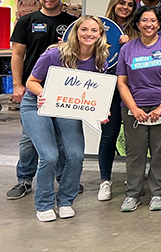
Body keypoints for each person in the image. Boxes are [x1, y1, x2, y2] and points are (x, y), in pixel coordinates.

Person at [22, 15, 109, 221]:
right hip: (37, 105)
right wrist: (44, 95)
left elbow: (95, 96)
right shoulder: (55, 54)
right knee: (50, 156)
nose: (89, 34)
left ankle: (65, 202)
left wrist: (100, 112)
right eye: (84, 29)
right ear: (75, 32)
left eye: (94, 30)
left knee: (76, 155)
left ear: (100, 34)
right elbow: (31, 81)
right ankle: (44, 204)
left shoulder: (99, 61)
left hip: (66, 109)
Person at [7, 0, 76, 200]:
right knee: (30, 138)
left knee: (62, 138)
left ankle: (62, 178)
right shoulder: (27, 21)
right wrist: (17, 85)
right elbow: (17, 55)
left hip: (63, 89)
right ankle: (24, 179)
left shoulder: (72, 23)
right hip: (33, 87)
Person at [117, 6, 161, 212]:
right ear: (137, 24)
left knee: (159, 152)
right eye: (144, 20)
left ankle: (156, 194)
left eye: (153, 21)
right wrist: (134, 108)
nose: (148, 24)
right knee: (135, 153)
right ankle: (133, 195)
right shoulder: (127, 49)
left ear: (160, 24)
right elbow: (121, 82)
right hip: (134, 108)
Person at [97, 0, 138, 202]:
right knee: (108, 135)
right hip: (107, 89)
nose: (125, 7)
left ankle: (134, 178)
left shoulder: (137, 31)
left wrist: (130, 44)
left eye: (130, 5)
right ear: (113, 3)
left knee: (134, 138)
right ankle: (105, 181)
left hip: (131, 89)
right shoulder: (98, 28)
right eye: (122, 3)